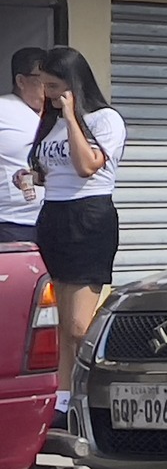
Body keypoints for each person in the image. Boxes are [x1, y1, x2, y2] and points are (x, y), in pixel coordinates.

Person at [14, 47, 124, 419]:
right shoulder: (51, 123)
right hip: (54, 216)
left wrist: (73, 116)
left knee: (79, 326)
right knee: (60, 322)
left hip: (89, 217)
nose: (48, 93)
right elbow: (53, 171)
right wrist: (30, 176)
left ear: (73, 84)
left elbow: (86, 166)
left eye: (54, 86)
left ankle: (94, 392)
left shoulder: (105, 119)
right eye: (44, 85)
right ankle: (63, 399)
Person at [0, 48, 44, 245]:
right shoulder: (4, 108)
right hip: (12, 222)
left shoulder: (59, 114)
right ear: (21, 81)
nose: (47, 86)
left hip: (53, 219)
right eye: (41, 78)